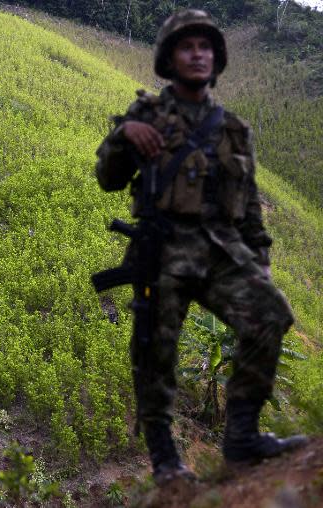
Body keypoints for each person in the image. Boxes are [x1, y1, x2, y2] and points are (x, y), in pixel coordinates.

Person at [94, 9, 307, 485]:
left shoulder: (234, 130)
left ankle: (243, 439)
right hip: (162, 254)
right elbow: (108, 180)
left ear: (217, 58)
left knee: (270, 314)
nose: (197, 54)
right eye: (187, 46)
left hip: (220, 253)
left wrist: (261, 265)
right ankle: (166, 460)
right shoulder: (145, 116)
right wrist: (122, 135)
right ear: (170, 58)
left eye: (205, 46)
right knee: (155, 353)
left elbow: (251, 211)